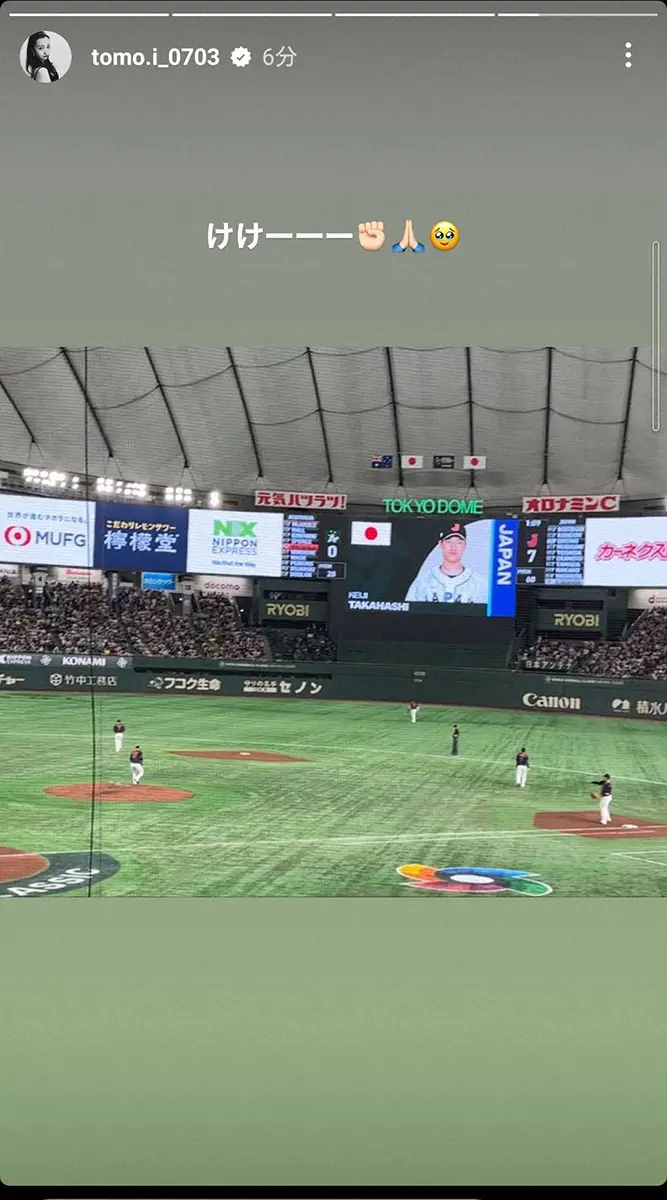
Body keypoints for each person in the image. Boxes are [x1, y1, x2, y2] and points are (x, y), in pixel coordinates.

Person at [405, 523, 487, 604]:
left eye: (459, 543)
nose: (453, 547)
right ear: (440, 544)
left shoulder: (479, 583)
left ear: (465, 545)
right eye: (448, 542)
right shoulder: (422, 581)